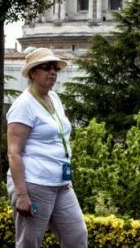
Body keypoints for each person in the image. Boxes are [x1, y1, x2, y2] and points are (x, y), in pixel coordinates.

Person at [6, 48, 88, 248]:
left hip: (61, 183)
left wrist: (66, 177)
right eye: (46, 68)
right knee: (29, 242)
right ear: (33, 72)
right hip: (34, 184)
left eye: (55, 68)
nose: (52, 72)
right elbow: (13, 152)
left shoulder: (55, 98)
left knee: (77, 236)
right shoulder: (23, 105)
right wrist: (22, 196)